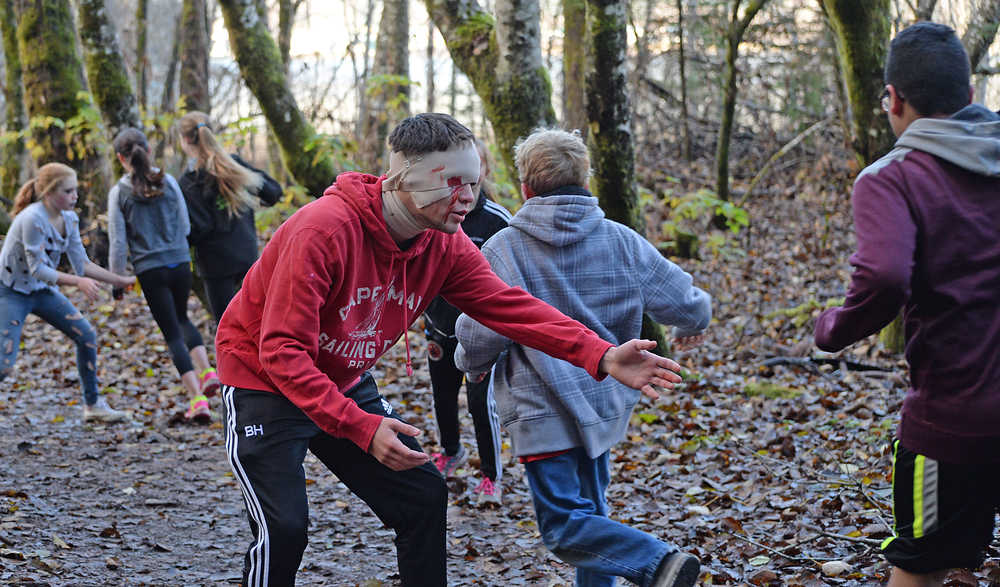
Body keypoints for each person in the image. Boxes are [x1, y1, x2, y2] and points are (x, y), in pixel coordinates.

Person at [216, 112, 685, 587]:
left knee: (421, 496)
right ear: (404, 180)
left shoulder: (445, 244)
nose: (469, 197)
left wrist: (601, 354)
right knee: (285, 529)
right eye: (453, 184)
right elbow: (281, 351)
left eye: (475, 182)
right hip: (265, 383)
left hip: (342, 380)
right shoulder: (323, 231)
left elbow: (510, 307)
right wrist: (361, 427)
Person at [454, 128, 710, 587]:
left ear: (526, 189)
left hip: (540, 410)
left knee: (564, 527)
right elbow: (686, 301)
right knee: (592, 520)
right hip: (603, 404)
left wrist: (470, 364)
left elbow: (478, 330)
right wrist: (693, 324)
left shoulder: (505, 249)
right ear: (587, 181)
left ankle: (659, 563)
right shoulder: (621, 241)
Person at [813, 22, 1000, 587]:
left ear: (892, 99)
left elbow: (886, 277)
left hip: (952, 422)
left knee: (920, 569)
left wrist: (832, 329)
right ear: (970, 96)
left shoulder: (891, 178)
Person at [0, 162, 134, 422]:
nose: (75, 196)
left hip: (40, 291)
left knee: (86, 336)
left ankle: (93, 405)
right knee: (3, 366)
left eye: (76, 190)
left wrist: (119, 279)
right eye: (68, 191)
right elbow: (37, 268)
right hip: (10, 291)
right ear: (49, 193)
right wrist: (77, 282)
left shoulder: (70, 219)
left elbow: (82, 264)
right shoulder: (32, 219)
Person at [108, 128, 220, 422]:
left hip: (150, 268)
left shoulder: (119, 192)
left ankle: (198, 399)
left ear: (121, 158)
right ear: (148, 150)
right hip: (180, 262)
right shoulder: (169, 181)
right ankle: (208, 371)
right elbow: (184, 225)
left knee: (172, 333)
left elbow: (119, 242)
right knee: (183, 318)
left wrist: (116, 280)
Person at [424, 138, 510, 504]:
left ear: (484, 173)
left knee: (479, 402)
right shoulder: (432, 214)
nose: (466, 190)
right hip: (438, 326)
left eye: (473, 179)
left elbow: (511, 276)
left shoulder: (499, 221)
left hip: (481, 335)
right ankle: (451, 451)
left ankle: (491, 476)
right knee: (442, 394)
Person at [176, 111, 282, 324]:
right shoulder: (233, 164)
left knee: (228, 328)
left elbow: (200, 228)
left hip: (216, 266)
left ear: (186, 140)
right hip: (247, 256)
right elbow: (273, 191)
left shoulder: (189, 181)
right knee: (259, 323)